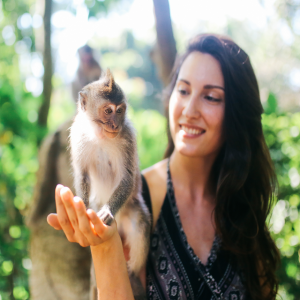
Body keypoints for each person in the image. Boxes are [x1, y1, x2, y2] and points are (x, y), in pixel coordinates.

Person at [47, 34, 280, 300]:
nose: (189, 110)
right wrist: (104, 246)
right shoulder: (137, 199)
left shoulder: (243, 201)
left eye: (211, 97)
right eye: (183, 90)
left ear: (236, 113)